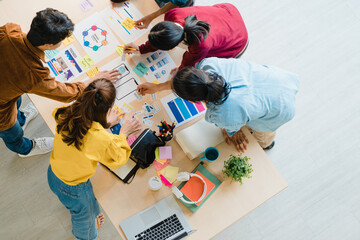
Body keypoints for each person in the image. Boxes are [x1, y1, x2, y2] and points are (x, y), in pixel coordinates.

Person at [0, 8, 120, 157]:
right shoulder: (34, 75)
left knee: (15, 104)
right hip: (1, 111)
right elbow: (67, 93)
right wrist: (92, 80)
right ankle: (25, 149)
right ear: (49, 45)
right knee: (12, 133)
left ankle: (21, 118)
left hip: (7, 91)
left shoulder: (9, 30)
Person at [137, 57, 299, 152]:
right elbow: (190, 82)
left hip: (281, 108)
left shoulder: (221, 114)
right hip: (281, 79)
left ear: (194, 101)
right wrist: (158, 87)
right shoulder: (209, 64)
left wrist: (232, 131)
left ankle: (267, 145)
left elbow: (231, 125)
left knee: (263, 137)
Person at [48, 79, 141, 240]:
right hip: (74, 187)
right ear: (106, 109)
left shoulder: (66, 112)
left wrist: (105, 124)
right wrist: (123, 134)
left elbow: (84, 134)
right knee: (84, 217)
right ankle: (87, 234)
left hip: (54, 172)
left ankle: (91, 212)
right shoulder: (99, 138)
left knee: (85, 202)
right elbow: (118, 159)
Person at [124, 3, 248, 70]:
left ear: (172, 47)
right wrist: (140, 49)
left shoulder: (199, 46)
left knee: (204, 64)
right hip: (227, 12)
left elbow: (187, 64)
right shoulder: (173, 14)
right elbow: (162, 37)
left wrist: (180, 71)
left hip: (237, 39)